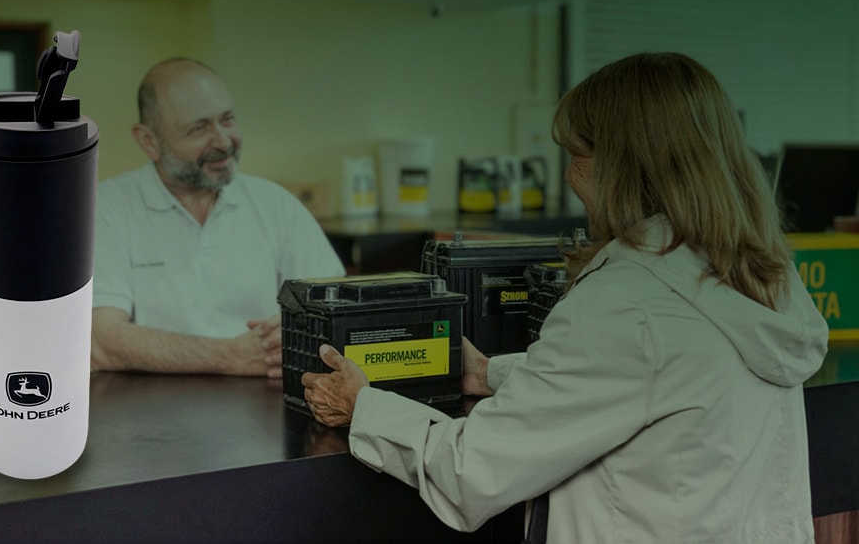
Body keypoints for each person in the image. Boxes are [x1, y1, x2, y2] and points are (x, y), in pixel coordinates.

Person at [301, 52, 828, 542]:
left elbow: (472, 471)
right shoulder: (759, 275)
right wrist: (489, 373)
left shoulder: (625, 302)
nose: (570, 175)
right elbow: (648, 380)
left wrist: (363, 406)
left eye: (576, 155)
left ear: (624, 167)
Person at [91, 58, 345, 378]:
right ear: (149, 141)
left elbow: (336, 313)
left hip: (265, 406)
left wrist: (301, 333)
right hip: (146, 410)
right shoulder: (108, 208)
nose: (223, 141)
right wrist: (230, 356)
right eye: (199, 128)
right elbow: (100, 340)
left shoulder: (275, 204)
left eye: (227, 119)